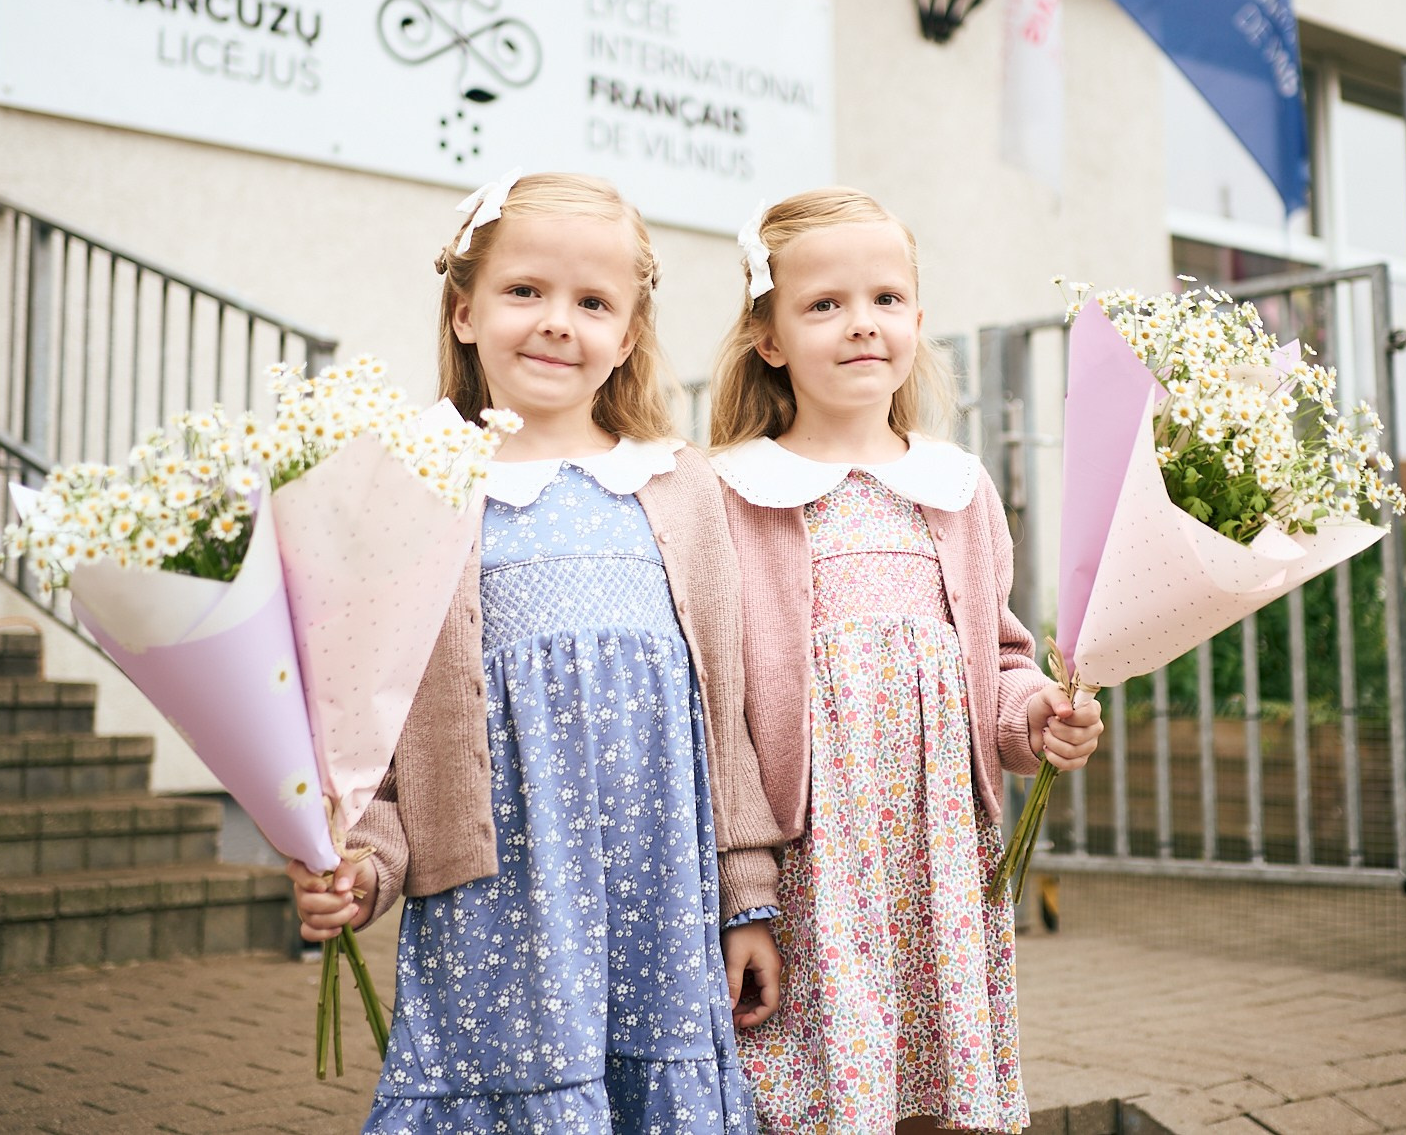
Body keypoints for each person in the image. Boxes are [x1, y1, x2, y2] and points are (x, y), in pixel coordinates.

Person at [289, 170, 785, 1133]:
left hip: (660, 926)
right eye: (526, 291)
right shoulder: (423, 484)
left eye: (592, 302)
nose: (558, 322)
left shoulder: (680, 488)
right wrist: (360, 860)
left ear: (629, 334)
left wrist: (748, 900)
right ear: (465, 310)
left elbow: (723, 721)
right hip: (497, 923)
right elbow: (383, 732)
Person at [710, 187, 1105, 1134]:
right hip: (814, 865)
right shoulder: (734, 495)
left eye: (887, 299)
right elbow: (716, 712)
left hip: (936, 856)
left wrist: (1037, 713)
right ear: (770, 336)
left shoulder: (956, 486)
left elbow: (999, 658)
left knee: (933, 1083)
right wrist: (744, 896)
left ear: (919, 319)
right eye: (824, 305)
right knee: (814, 1086)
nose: (862, 326)